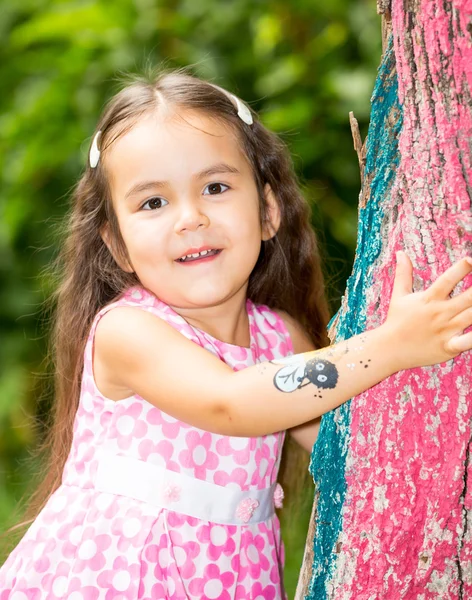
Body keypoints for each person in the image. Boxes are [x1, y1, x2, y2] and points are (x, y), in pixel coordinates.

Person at [1, 70, 471, 600]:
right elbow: (231, 402)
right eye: (153, 203)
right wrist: (390, 345)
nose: (191, 218)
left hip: (231, 578)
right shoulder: (128, 331)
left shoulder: (279, 337)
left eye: (216, 187)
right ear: (116, 244)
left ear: (268, 211)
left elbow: (340, 437)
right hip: (114, 578)